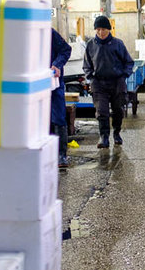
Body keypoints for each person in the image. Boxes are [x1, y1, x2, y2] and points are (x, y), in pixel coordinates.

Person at [83, 16, 135, 149]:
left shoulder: (118, 44)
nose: (101, 32)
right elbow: (87, 65)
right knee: (102, 111)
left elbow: (129, 62)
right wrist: (91, 77)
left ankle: (117, 133)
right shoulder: (91, 44)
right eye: (98, 29)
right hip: (99, 84)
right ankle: (104, 137)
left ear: (109, 29)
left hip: (117, 82)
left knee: (118, 110)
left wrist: (124, 76)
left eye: (103, 29)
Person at [50, 29, 72, 167]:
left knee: (58, 117)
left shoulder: (49, 33)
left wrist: (57, 64)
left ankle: (61, 155)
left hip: (53, 82)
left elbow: (66, 50)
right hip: (33, 85)